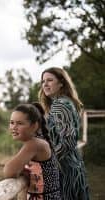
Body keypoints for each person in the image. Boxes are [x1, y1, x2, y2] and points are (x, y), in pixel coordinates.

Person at [39, 67, 90, 200]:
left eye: (50, 80)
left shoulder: (60, 105)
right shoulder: (65, 102)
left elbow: (67, 142)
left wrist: (46, 163)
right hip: (72, 166)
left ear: (61, 83)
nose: (45, 84)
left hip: (65, 170)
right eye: (43, 81)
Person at [3, 103, 61, 199]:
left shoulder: (34, 144)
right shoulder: (38, 141)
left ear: (34, 126)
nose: (14, 127)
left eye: (20, 123)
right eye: (12, 122)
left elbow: (9, 172)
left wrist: (20, 170)